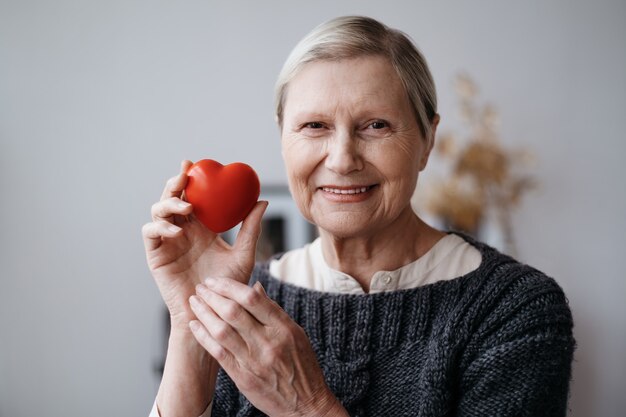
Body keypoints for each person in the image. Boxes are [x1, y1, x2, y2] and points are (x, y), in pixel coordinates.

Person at [142, 16, 575, 417]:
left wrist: (308, 406)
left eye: (376, 126)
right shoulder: (244, 299)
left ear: (428, 141)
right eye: (314, 126)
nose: (343, 159)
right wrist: (191, 322)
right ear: (282, 138)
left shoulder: (514, 309)